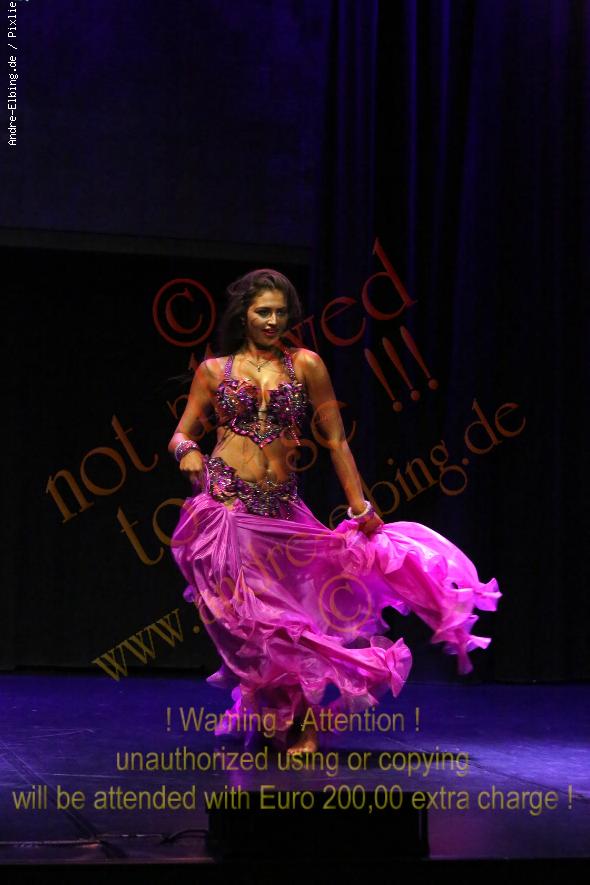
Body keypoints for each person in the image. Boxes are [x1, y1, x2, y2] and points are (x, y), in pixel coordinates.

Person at [168, 269, 500, 756]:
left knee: (294, 622)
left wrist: (359, 505)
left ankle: (298, 720)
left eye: (281, 313)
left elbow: (336, 440)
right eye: (263, 312)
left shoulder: (306, 365)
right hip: (229, 511)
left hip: (283, 513)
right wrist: (187, 451)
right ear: (243, 315)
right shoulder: (214, 371)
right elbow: (180, 433)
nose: (273, 321)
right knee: (251, 624)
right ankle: (276, 715)